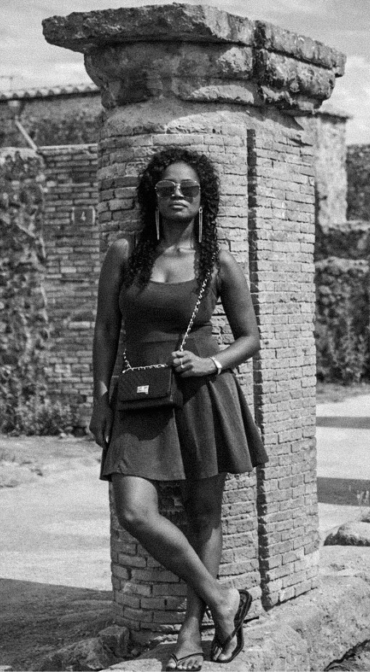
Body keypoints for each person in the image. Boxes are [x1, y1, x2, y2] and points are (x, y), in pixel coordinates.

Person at [90, 147, 267, 670]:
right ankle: (224, 598)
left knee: (203, 513)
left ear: (202, 196)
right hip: (139, 398)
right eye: (167, 186)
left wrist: (212, 367)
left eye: (188, 187)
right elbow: (105, 327)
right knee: (134, 511)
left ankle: (193, 629)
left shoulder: (218, 262)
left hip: (202, 396)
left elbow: (250, 337)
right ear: (154, 194)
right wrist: (101, 396)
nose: (177, 194)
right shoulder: (126, 253)